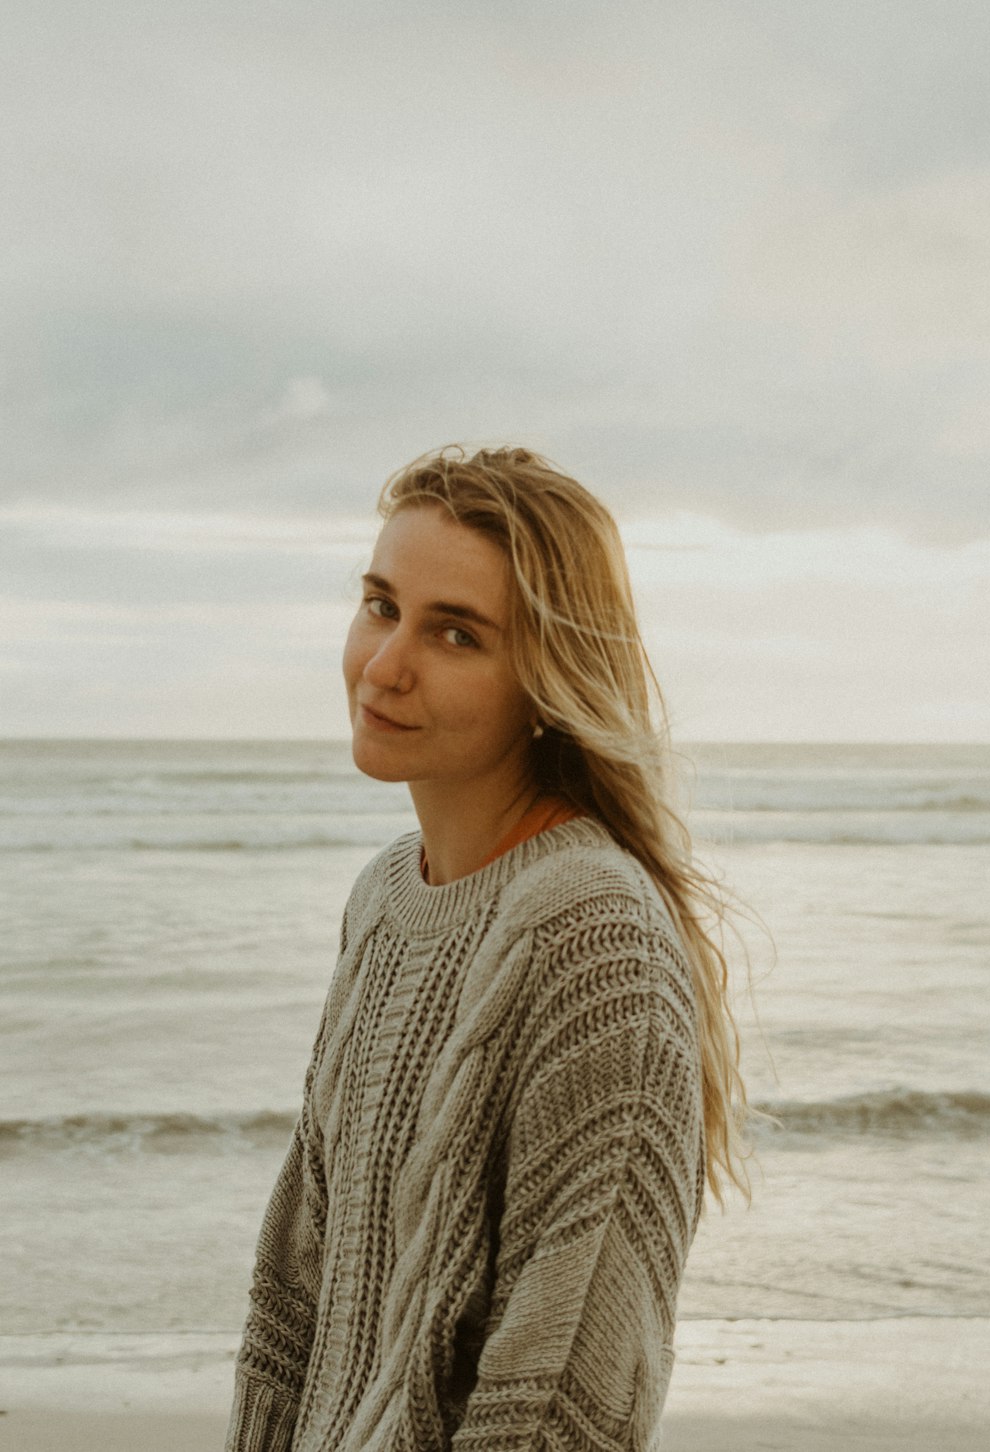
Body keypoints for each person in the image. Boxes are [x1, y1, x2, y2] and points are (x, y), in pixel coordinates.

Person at [225, 446, 748, 1452]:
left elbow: (561, 1386)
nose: (384, 666)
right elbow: (299, 1290)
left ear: (547, 681)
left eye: (455, 633)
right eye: (381, 606)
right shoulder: (382, 897)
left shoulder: (594, 935)